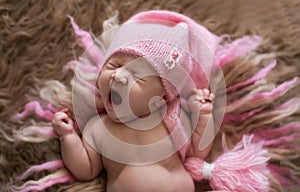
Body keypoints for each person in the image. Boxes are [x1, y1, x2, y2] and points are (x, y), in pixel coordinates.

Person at [52, 10, 217, 192]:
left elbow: (197, 151)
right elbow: (86, 169)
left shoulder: (171, 118)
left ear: (159, 100)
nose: (119, 76)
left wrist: (203, 116)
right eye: (114, 65)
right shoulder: (98, 129)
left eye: (137, 77)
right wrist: (67, 137)